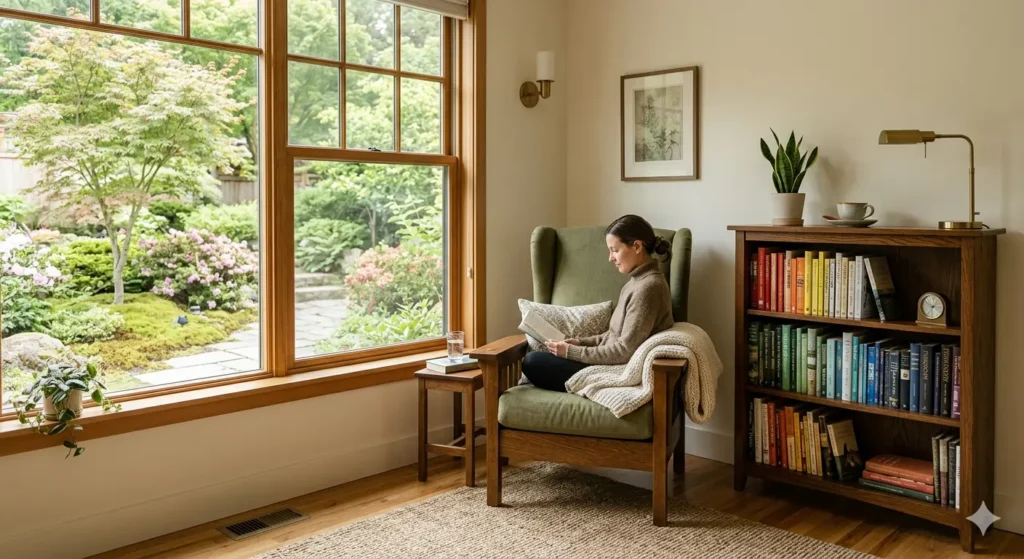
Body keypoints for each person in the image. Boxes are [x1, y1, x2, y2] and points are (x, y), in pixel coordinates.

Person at [521, 215, 675, 392]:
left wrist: (571, 352)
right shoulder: (635, 283)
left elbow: (623, 351)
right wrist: (579, 343)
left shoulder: (648, 288)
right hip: (608, 361)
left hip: (616, 369)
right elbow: (612, 335)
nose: (610, 258)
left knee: (533, 362)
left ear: (637, 246)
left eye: (615, 250)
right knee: (539, 359)